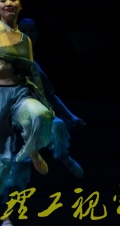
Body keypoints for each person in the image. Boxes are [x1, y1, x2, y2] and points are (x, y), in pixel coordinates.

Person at [0, 0, 53, 226]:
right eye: (3, 0)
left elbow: (31, 72)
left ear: (20, 6)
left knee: (41, 115)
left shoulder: (25, 40)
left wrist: (43, 100)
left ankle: (32, 150)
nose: (8, 2)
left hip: (20, 94)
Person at [18, 18, 84, 177]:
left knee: (58, 124)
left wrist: (71, 116)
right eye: (23, 31)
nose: (27, 34)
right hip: (16, 110)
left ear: (36, 34)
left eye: (31, 30)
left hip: (37, 109)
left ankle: (63, 155)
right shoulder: (9, 58)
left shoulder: (35, 62)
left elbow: (50, 95)